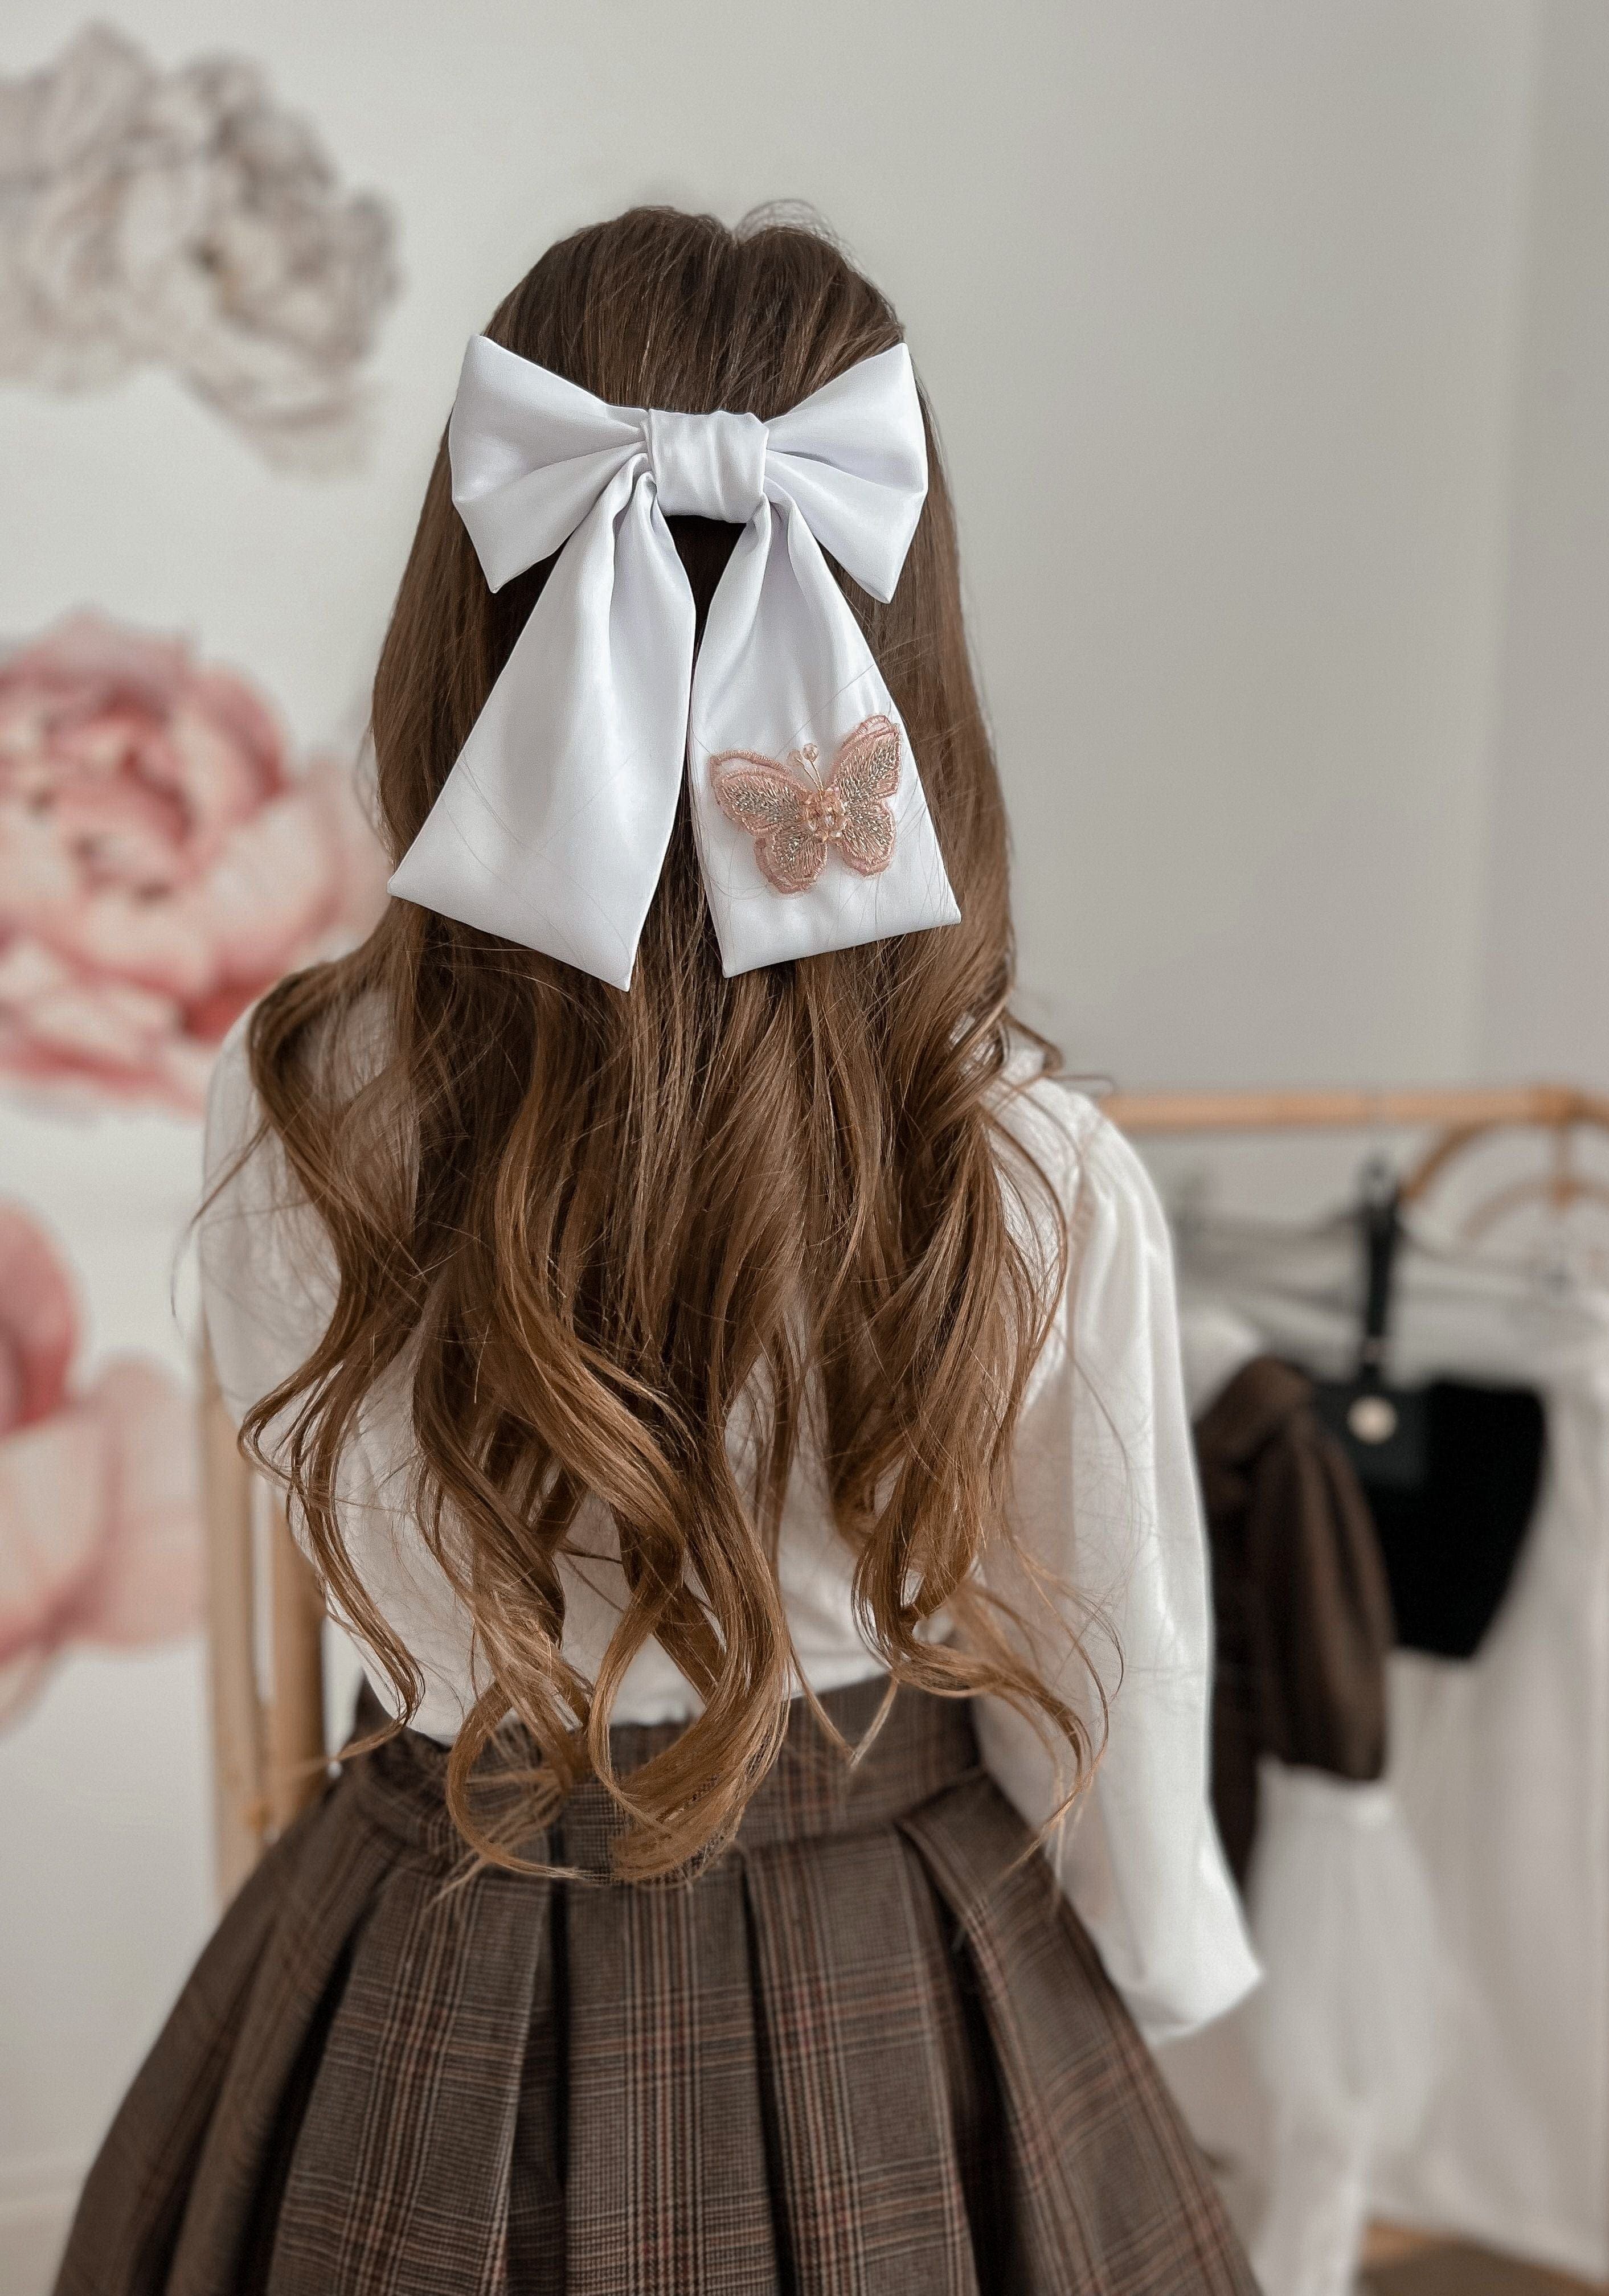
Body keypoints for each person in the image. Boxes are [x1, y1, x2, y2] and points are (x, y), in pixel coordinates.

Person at [55, 206, 1259, 2296]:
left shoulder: (297, 1097)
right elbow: (1118, 1672)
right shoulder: (1030, 1167)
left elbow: (345, 1526)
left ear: (464, 610)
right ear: (907, 635)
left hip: (417, 1942)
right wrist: (1138, 1996)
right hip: (904, 1950)